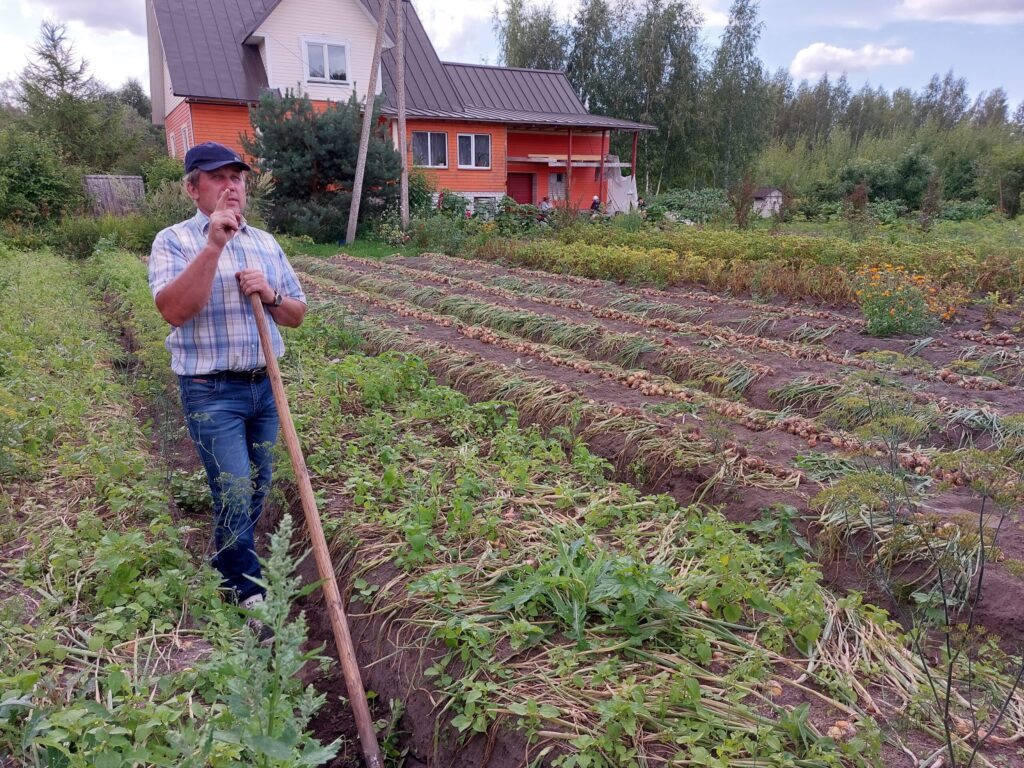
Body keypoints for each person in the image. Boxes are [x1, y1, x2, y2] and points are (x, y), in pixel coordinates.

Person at [149, 142, 307, 641]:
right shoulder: (173, 242)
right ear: (193, 187)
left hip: (265, 387)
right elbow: (174, 310)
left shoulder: (265, 243)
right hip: (210, 389)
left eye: (237, 177)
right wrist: (214, 246)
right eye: (218, 177)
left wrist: (271, 294)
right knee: (234, 490)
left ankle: (227, 565)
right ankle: (245, 590)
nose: (232, 185)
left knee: (256, 489)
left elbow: (297, 313)